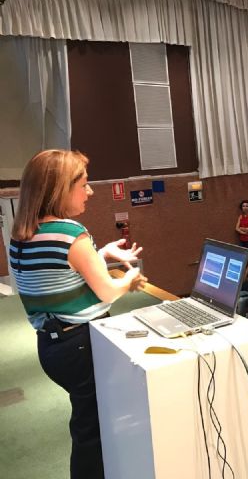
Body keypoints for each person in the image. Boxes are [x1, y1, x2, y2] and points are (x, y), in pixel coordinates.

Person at [9, 150, 147, 479]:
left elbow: (59, 273)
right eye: (83, 185)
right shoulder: (71, 234)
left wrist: (102, 254)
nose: (90, 192)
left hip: (53, 347)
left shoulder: (23, 233)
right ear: (59, 189)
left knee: (88, 425)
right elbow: (107, 291)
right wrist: (129, 277)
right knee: (92, 435)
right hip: (81, 345)